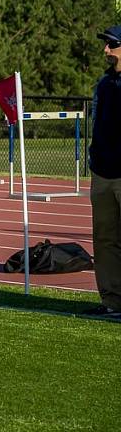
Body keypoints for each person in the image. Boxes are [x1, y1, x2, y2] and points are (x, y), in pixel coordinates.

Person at [86, 26, 121, 319]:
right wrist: (93, 157)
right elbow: (97, 122)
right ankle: (112, 301)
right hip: (102, 173)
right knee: (105, 238)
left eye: (111, 45)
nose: (105, 50)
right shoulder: (104, 84)